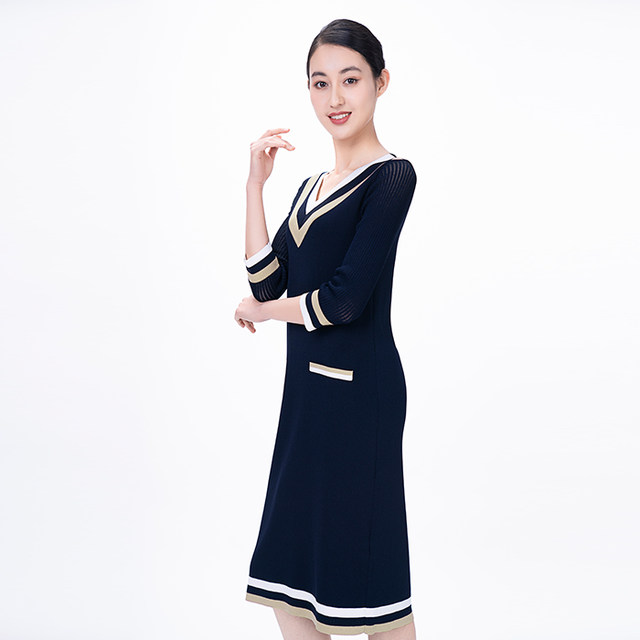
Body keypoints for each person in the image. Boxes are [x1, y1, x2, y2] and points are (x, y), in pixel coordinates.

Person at [234, 18, 418, 640]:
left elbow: (341, 302)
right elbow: (268, 281)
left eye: (350, 80)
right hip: (307, 397)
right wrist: (256, 185)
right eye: (320, 83)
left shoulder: (392, 177)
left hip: (361, 394)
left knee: (371, 583)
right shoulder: (312, 187)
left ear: (380, 83)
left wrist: (262, 312)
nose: (335, 98)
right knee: (289, 580)